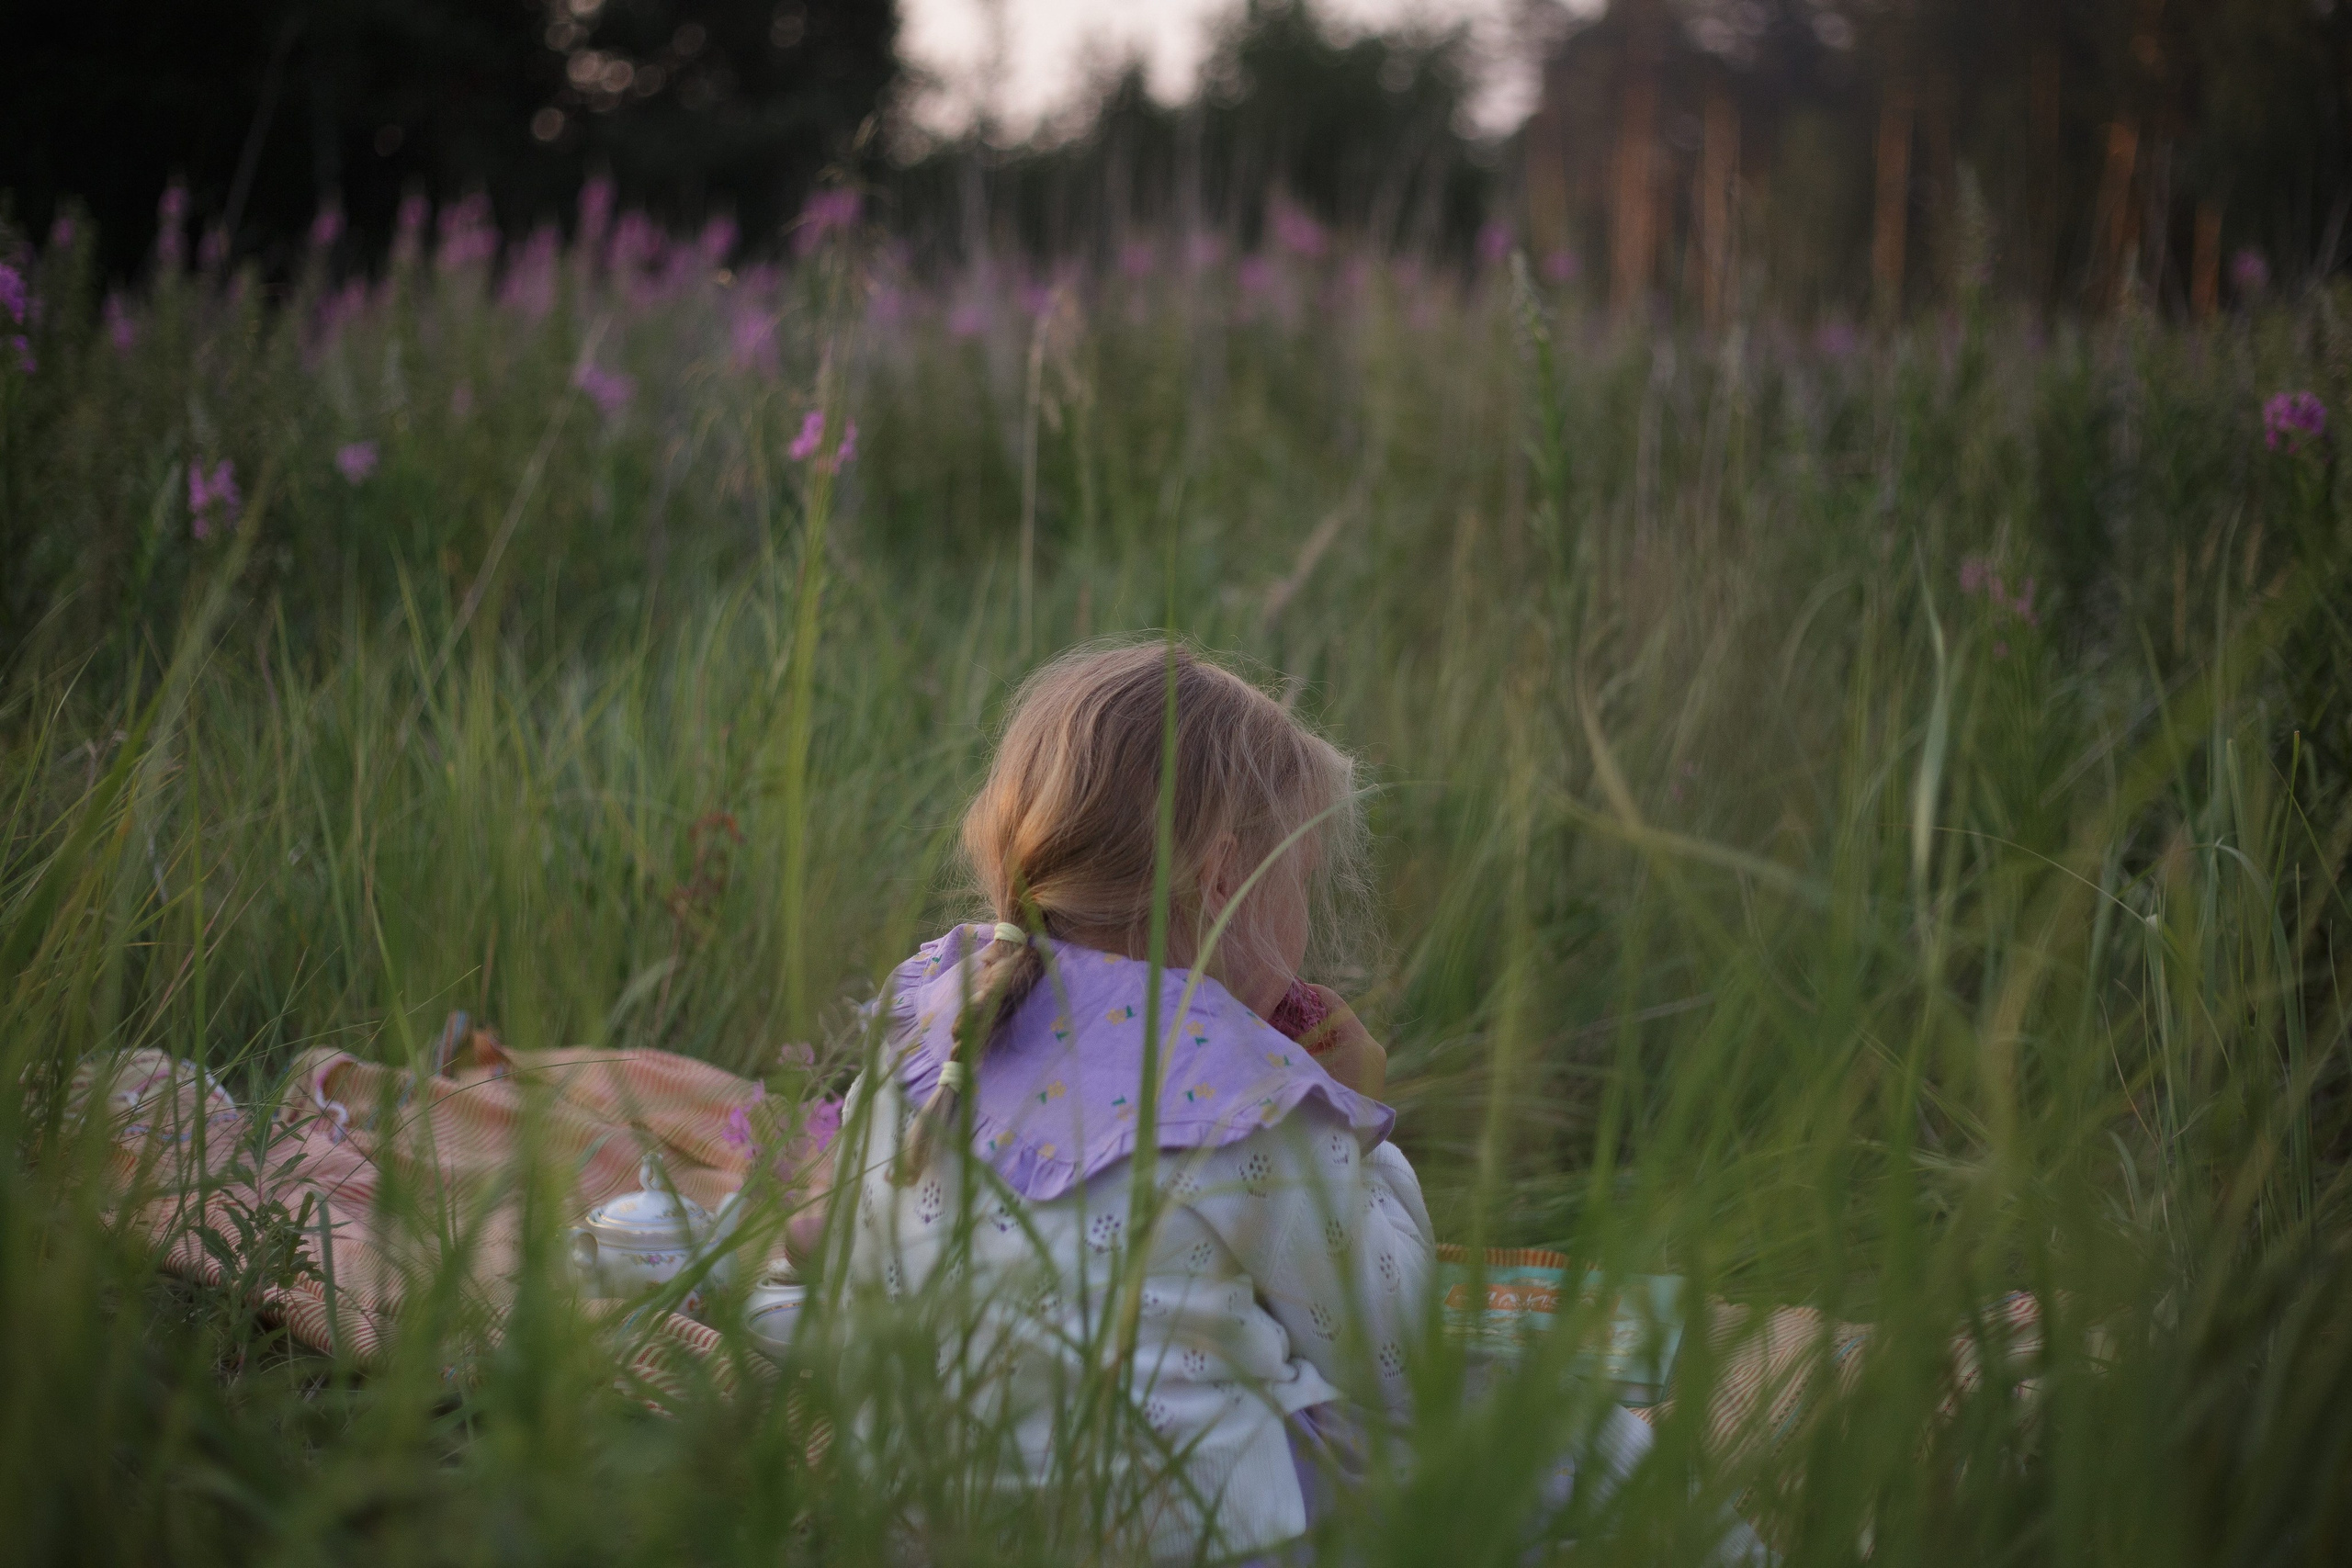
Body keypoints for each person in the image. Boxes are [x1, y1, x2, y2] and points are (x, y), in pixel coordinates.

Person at [791, 639, 1432, 1563]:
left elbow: (839, 1243)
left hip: (923, 1528)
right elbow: (1393, 1360)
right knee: (1575, 1450)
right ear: (1223, 877)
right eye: (1302, 874)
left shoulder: (941, 1022)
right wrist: (1358, 1137)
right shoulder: (1247, 1098)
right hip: (1189, 1541)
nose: (1307, 909)